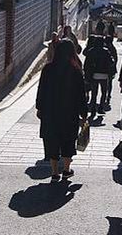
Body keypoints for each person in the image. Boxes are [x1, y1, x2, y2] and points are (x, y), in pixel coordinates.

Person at [36, 39, 88, 181]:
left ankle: (54, 172)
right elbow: (80, 95)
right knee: (67, 140)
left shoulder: (48, 69)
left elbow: (41, 90)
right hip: (69, 113)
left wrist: (39, 107)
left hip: (50, 111)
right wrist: (83, 113)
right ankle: (66, 169)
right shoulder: (75, 70)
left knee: (52, 140)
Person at [84, 35, 114, 115]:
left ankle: (93, 108)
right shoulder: (106, 51)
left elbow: (86, 64)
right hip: (104, 75)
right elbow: (111, 62)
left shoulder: (91, 51)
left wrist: (87, 74)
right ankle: (101, 108)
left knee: (94, 93)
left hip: (94, 74)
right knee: (103, 92)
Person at [104, 35, 117, 106]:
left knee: (105, 83)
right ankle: (108, 95)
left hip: (105, 69)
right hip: (111, 69)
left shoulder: (106, 48)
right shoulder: (113, 48)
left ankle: (106, 95)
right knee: (110, 83)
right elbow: (116, 59)